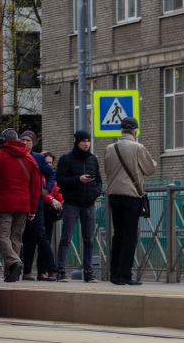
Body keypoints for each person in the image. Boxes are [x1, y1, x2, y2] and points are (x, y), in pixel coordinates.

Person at [103, 117, 156, 286]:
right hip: (131, 196)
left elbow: (107, 170)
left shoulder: (109, 148)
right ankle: (125, 275)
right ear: (136, 131)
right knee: (130, 236)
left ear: (121, 131)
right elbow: (150, 169)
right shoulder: (138, 147)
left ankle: (114, 274)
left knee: (117, 235)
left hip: (113, 195)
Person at [0, 128, 43, 282]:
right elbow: (36, 186)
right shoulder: (29, 159)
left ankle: (14, 263)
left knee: (1, 235)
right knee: (16, 237)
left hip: (3, 204)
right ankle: (11, 273)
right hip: (23, 204)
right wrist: (33, 208)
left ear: (2, 141)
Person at [55, 130, 102, 282]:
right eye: (83, 141)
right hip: (71, 204)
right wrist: (78, 180)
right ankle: (61, 270)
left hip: (89, 204)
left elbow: (99, 180)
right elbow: (60, 180)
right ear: (77, 142)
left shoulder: (93, 160)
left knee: (89, 240)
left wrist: (96, 193)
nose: (86, 143)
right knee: (66, 238)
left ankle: (88, 272)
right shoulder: (66, 159)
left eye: (88, 141)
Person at [19, 131, 58, 280]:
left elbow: (51, 174)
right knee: (27, 238)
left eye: (28, 140)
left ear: (33, 143)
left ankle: (50, 270)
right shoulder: (18, 156)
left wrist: (47, 189)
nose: (24, 142)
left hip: (37, 203)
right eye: (22, 139)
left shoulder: (39, 158)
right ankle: (27, 271)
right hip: (21, 201)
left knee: (41, 236)